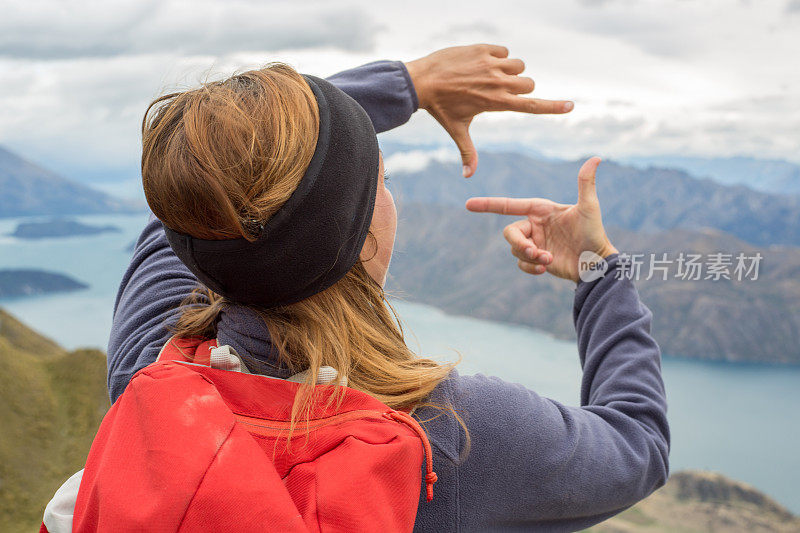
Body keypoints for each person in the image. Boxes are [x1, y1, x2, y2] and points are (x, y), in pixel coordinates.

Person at [43, 44, 668, 532]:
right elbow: (637, 445)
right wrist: (598, 268)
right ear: (363, 230)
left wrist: (409, 83)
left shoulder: (150, 373)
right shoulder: (447, 432)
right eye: (382, 179)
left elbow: (201, 172)